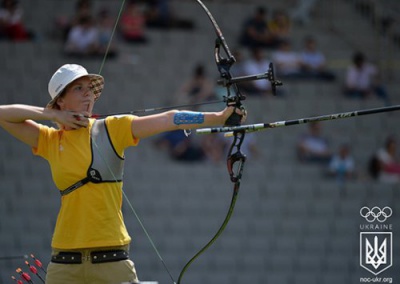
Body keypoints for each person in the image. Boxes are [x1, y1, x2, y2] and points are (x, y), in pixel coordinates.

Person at [0, 64, 245, 283]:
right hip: (64, 263)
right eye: (78, 89)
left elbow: (170, 119)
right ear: (60, 101)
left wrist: (219, 117)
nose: (88, 94)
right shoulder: (50, 140)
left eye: (90, 88)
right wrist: (51, 115)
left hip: (112, 261)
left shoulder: (112, 128)